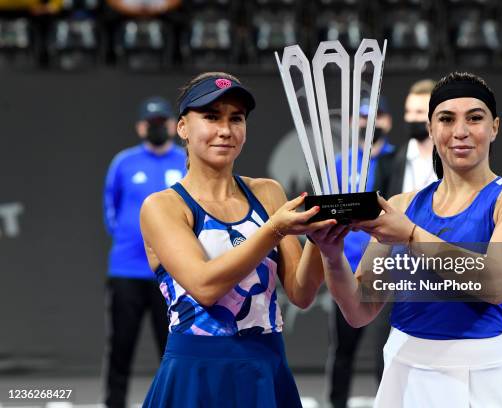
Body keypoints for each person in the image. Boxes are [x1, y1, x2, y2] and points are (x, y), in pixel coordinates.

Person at [312, 72, 502, 407]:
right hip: (403, 368)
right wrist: (331, 254)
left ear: (494, 127)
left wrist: (410, 236)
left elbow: (496, 283)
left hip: (482, 373)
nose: (460, 131)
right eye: (446, 119)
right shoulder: (401, 205)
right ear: (430, 128)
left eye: (475, 118)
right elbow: (360, 309)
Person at [140, 72, 336, 407]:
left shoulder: (268, 193)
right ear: (183, 128)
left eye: (236, 118)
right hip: (196, 375)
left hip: (266, 368)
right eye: (211, 117)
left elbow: (301, 293)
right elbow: (204, 287)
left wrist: (322, 241)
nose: (225, 130)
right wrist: (273, 230)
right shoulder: (162, 206)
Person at [102, 96, 185, 408]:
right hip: (126, 271)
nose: (156, 128)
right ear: (140, 128)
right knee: (120, 346)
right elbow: (110, 210)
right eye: (150, 124)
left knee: (173, 348)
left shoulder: (186, 162)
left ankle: (175, 402)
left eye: (161, 123)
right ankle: (114, 403)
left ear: (174, 127)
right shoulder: (123, 162)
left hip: (173, 271)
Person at [326, 96, 394, 408]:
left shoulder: (400, 161)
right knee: (344, 349)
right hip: (352, 269)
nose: (370, 124)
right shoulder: (342, 164)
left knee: (391, 350)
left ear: (388, 122)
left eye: (376, 117)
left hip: (393, 271)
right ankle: (336, 403)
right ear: (354, 124)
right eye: (364, 118)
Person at [376, 79, 438, 198]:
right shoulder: (387, 163)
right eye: (408, 111)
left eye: (419, 112)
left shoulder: (451, 161)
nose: (411, 118)